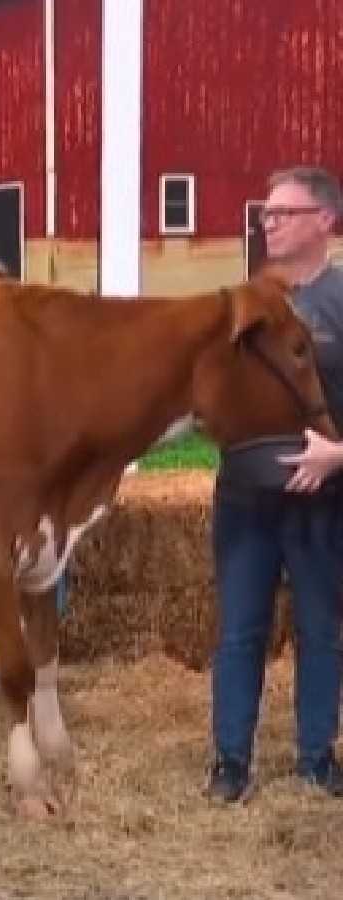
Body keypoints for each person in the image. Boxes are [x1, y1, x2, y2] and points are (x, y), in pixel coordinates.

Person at [207, 165, 343, 804]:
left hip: (326, 500)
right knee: (239, 632)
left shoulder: (341, 298)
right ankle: (231, 763)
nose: (268, 221)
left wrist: (337, 455)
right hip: (244, 498)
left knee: (322, 631)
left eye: (283, 212)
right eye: (265, 213)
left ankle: (316, 760)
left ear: (324, 219)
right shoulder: (242, 301)